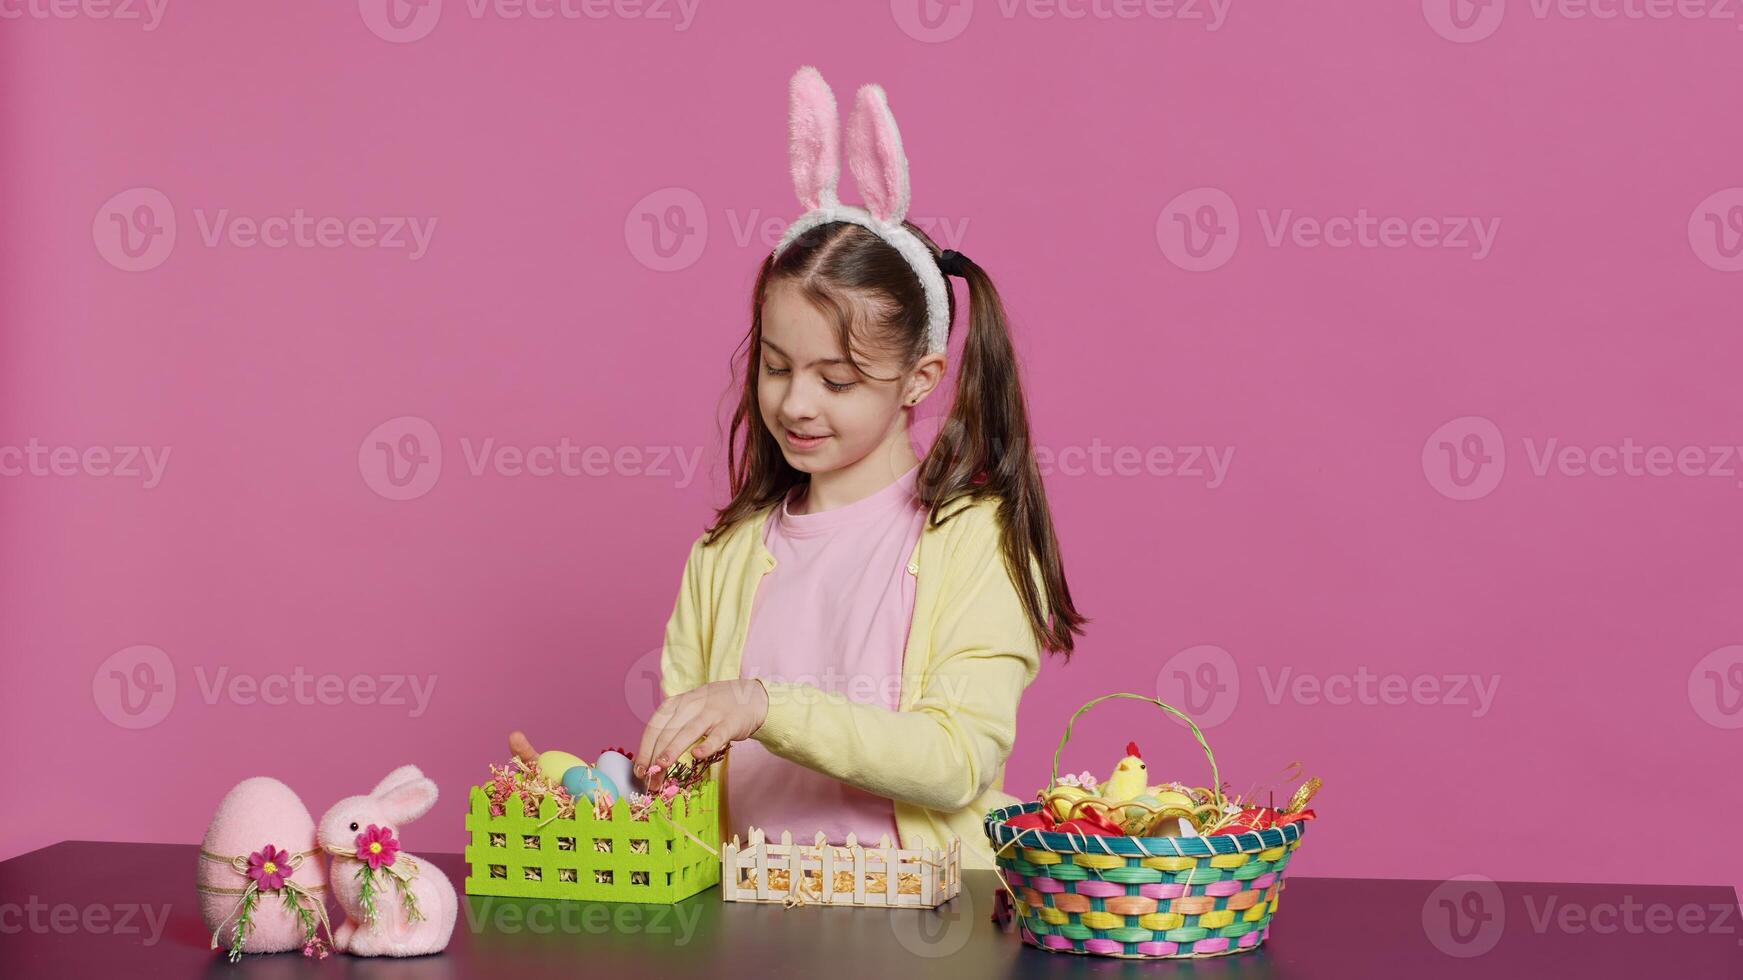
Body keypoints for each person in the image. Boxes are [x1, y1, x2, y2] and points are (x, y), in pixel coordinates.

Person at [513, 66, 1086, 870]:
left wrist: (764, 706)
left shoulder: (970, 539)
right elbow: (683, 781)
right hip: (748, 921)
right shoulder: (728, 552)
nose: (796, 404)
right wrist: (615, 796)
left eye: (838, 379)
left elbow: (955, 762)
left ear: (919, 379)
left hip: (920, 928)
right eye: (777, 367)